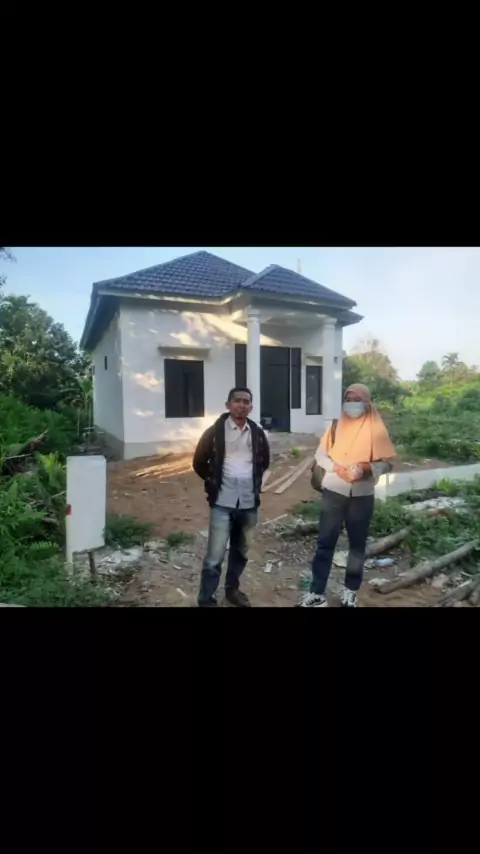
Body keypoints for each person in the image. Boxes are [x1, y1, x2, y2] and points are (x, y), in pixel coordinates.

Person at [299, 383, 396, 608]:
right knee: (325, 542)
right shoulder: (336, 426)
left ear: (367, 402)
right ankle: (316, 593)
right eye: (348, 399)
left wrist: (367, 468)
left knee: (357, 545)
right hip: (334, 490)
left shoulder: (376, 429)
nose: (352, 404)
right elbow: (321, 456)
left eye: (357, 400)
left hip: (362, 494)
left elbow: (388, 463)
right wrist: (338, 469)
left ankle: (350, 590)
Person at [193, 387, 270, 607]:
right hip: (222, 502)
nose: (241, 405)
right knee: (214, 556)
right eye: (237, 401)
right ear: (228, 405)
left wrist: (254, 485)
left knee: (241, 552)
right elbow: (199, 462)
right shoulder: (214, 432)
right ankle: (206, 599)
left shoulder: (257, 433)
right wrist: (213, 481)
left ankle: (232, 591)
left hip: (248, 502)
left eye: (246, 402)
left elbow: (264, 462)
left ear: (251, 407)